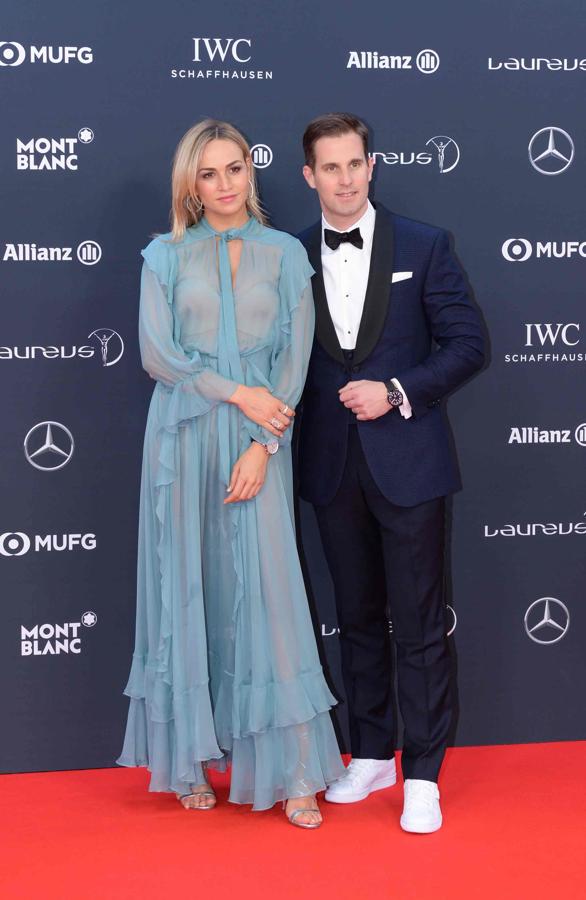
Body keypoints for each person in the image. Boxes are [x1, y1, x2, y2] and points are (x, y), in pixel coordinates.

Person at [117, 119, 344, 829]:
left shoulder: (286, 256)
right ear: (191, 182)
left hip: (259, 443)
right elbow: (159, 355)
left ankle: (297, 770)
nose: (223, 185)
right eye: (208, 173)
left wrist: (261, 443)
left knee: (270, 598)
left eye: (235, 169)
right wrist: (234, 393)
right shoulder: (164, 256)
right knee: (187, 590)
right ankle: (189, 759)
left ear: (253, 171)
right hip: (182, 441)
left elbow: (294, 361)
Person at [297, 113, 485, 833]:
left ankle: (425, 773)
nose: (345, 179)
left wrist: (398, 391)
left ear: (372, 166)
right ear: (310, 176)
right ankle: (371, 753)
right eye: (330, 168)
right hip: (330, 464)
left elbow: (468, 343)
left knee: (420, 625)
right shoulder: (291, 257)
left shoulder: (425, 244)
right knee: (355, 619)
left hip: (409, 462)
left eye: (355, 164)